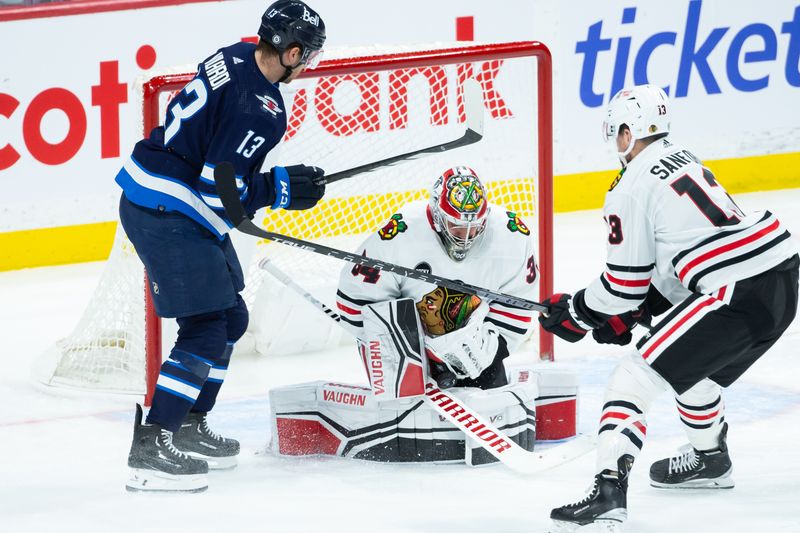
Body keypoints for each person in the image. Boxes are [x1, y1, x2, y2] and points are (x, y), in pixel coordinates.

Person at [539, 84, 799, 530]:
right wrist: (635, 312)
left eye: (616, 134)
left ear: (626, 133)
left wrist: (579, 312)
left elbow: (622, 286)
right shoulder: (683, 157)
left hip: (734, 289)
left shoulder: (630, 185)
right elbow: (680, 261)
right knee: (691, 369)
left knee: (632, 377)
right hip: (781, 278)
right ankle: (711, 459)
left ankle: (607, 491)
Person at [117, 0, 328, 493]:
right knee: (207, 328)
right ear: (292, 52)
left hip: (167, 195)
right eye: (308, 55)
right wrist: (278, 189)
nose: (308, 64)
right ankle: (153, 441)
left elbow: (215, 161)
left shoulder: (233, 53)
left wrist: (267, 183)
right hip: (168, 209)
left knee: (230, 318)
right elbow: (220, 189)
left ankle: (190, 422)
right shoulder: (263, 110)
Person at [336, 166, 539, 391]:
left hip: (477, 356)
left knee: (496, 406)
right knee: (403, 410)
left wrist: (488, 351)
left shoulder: (511, 235)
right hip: (406, 351)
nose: (466, 237)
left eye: (474, 227)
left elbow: (520, 304)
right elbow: (354, 301)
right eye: (457, 226)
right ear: (438, 215)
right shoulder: (399, 235)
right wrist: (413, 348)